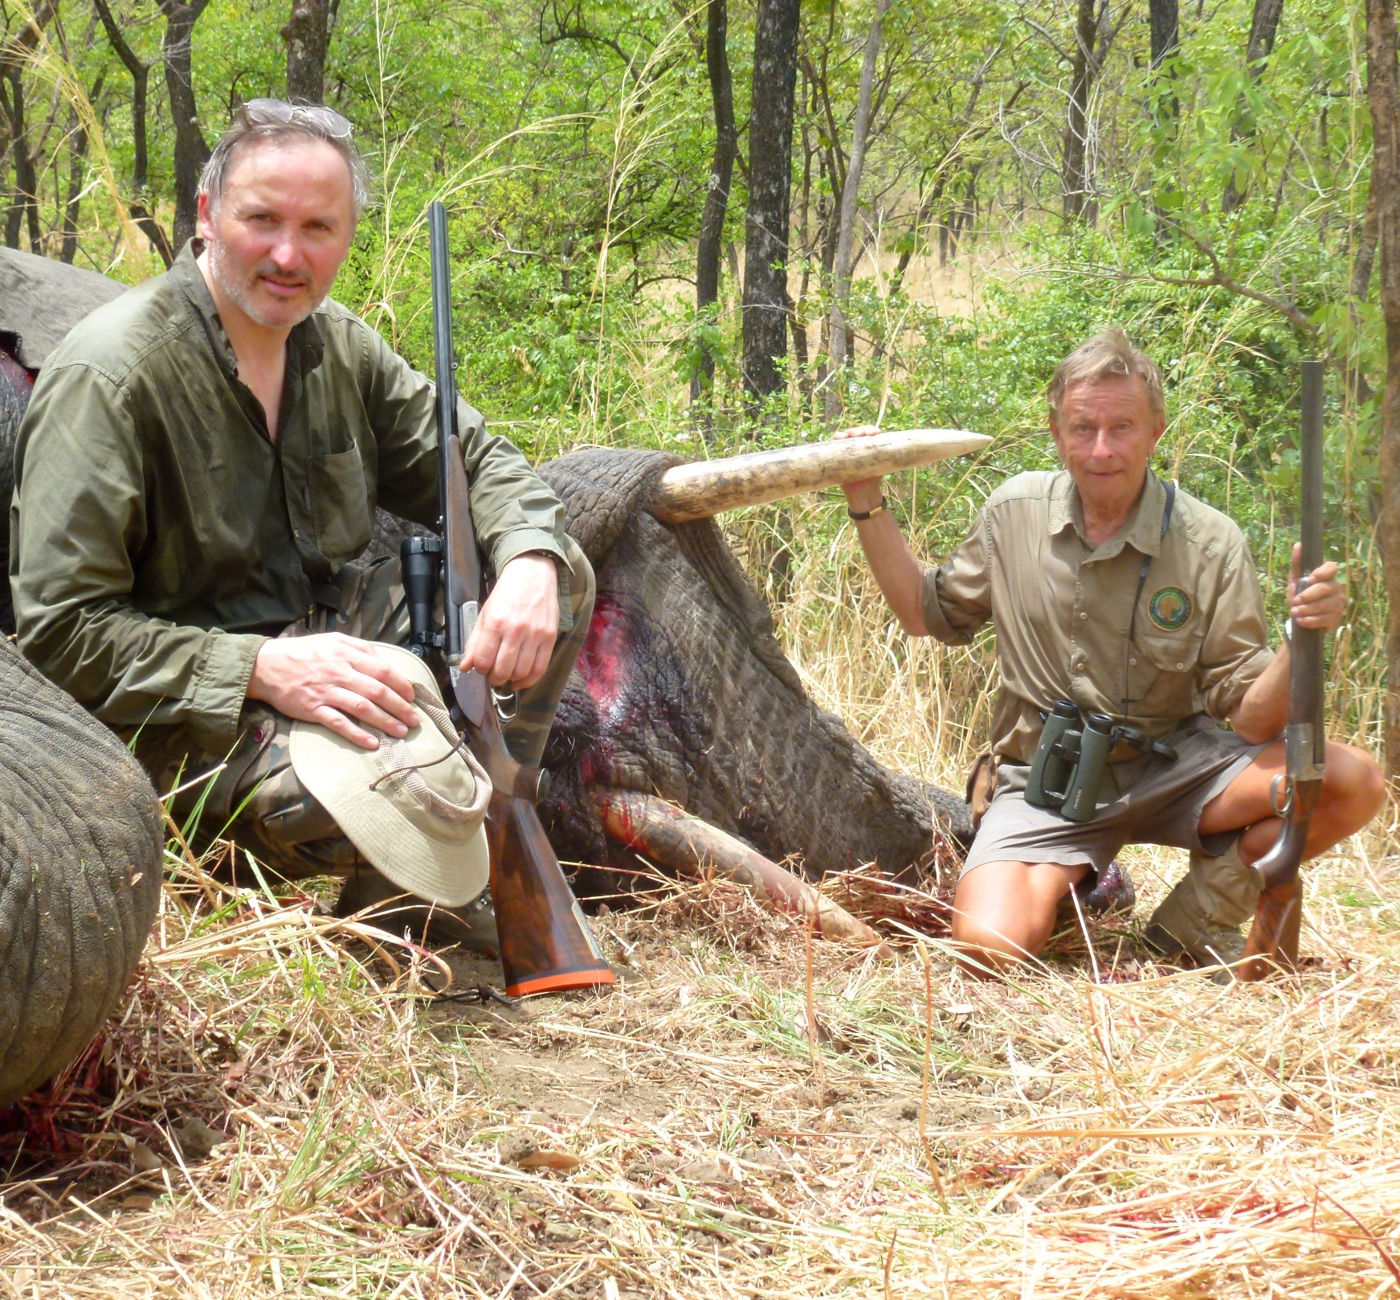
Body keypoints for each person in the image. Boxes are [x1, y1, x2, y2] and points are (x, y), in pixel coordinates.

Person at [9, 99, 593, 951]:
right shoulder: (113, 375)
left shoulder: (339, 346)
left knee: (559, 570)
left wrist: (532, 563)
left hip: (324, 648)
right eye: (262, 220)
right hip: (177, 712)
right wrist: (262, 668)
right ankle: (380, 868)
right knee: (334, 802)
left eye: (318, 227)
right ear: (207, 216)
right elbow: (62, 634)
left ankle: (484, 821)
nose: (289, 255)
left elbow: (477, 465)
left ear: (347, 236)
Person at [836, 329, 1384, 976]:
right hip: (1048, 777)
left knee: (1349, 781)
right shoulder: (1013, 513)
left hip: (1178, 766)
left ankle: (1183, 933)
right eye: (1083, 427)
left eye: (1122, 427)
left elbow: (1253, 719)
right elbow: (923, 613)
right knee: (988, 947)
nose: (1102, 449)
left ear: (1156, 431)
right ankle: (1081, 886)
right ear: (1056, 432)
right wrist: (863, 495)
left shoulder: (1210, 541)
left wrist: (1301, 639)